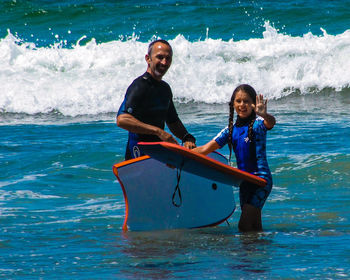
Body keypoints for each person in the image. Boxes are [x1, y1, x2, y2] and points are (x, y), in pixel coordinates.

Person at [193, 84, 275, 232]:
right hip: (244, 182)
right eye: (238, 101)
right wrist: (179, 156)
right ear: (233, 104)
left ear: (253, 104)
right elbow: (205, 149)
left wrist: (264, 115)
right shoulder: (229, 131)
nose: (242, 105)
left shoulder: (257, 125)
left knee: (244, 226)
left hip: (260, 181)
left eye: (246, 101)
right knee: (254, 228)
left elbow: (270, 123)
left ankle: (246, 255)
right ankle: (261, 253)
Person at [117, 39, 196, 160]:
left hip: (158, 154)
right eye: (159, 57)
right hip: (138, 154)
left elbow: (172, 121)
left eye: (168, 58)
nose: (164, 62)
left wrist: (186, 137)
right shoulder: (139, 86)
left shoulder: (165, 88)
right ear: (148, 58)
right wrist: (159, 132)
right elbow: (122, 120)